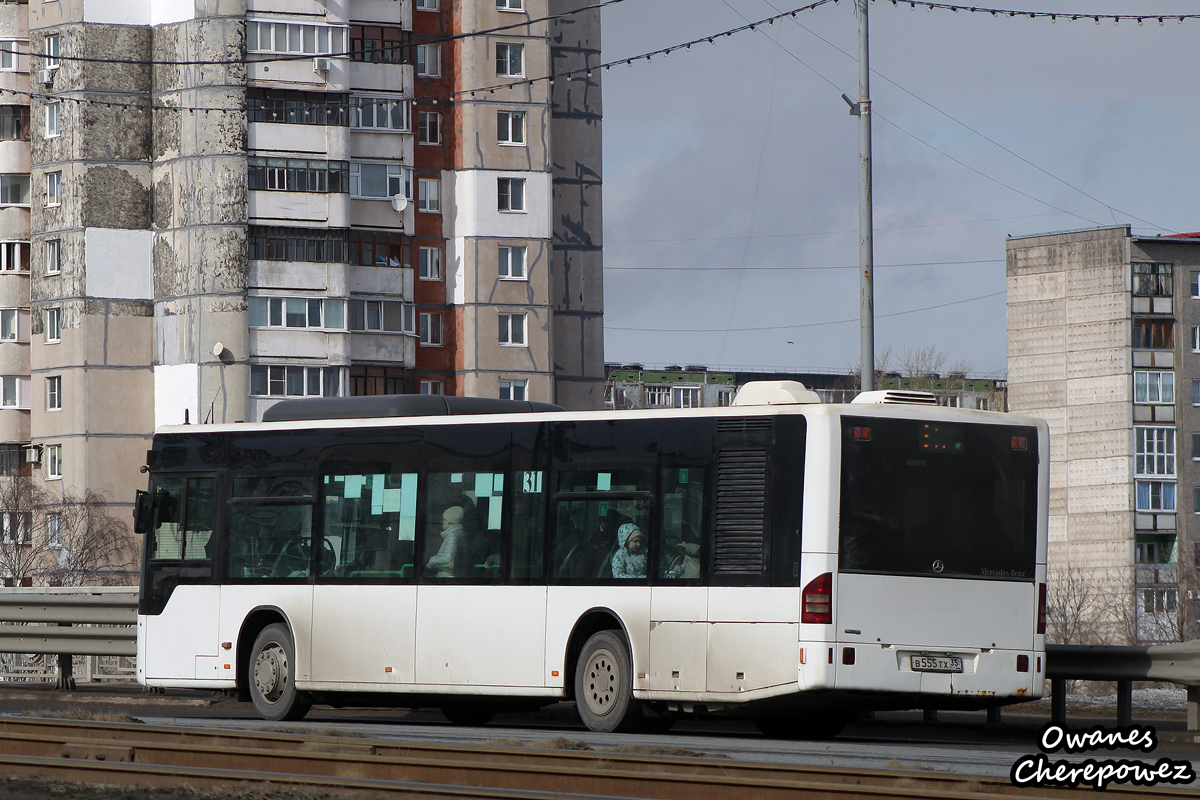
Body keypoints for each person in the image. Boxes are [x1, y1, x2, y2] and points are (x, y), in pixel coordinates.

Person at [426, 506, 464, 578]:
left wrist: (432, 560)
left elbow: (448, 558)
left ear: (449, 521)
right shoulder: (460, 534)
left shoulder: (452, 536)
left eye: (444, 519)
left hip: (447, 577)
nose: (442, 522)